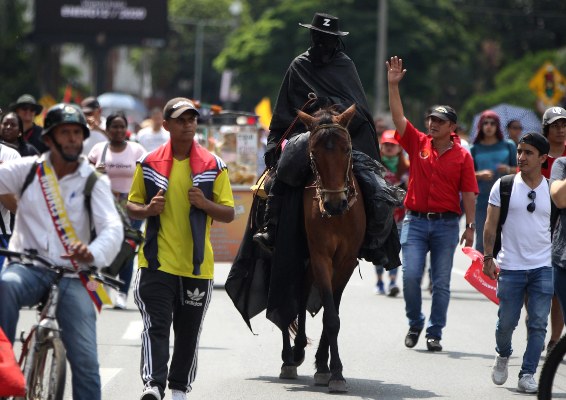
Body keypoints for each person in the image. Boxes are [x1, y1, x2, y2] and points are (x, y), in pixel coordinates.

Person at [0, 103, 123, 399]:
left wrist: (92, 252)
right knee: (5, 285)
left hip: (74, 275)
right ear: (49, 139)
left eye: (76, 133)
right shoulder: (26, 170)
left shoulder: (94, 181)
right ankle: (2, 369)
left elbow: (112, 228)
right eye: (64, 133)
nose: (71, 139)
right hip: (29, 266)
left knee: (86, 363)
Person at [127, 97, 235, 400]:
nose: (188, 125)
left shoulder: (213, 166)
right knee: (156, 327)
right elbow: (131, 205)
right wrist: (148, 209)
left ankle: (178, 390)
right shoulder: (149, 163)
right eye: (180, 120)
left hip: (196, 267)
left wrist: (205, 203)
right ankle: (153, 385)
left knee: (187, 336)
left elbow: (228, 213)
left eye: (192, 119)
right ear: (166, 126)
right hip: (155, 263)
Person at [254, 12, 380, 249]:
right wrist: (274, 141)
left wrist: (331, 103)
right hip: (306, 132)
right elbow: (284, 109)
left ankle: (377, 237)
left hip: (342, 131)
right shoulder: (299, 65)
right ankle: (270, 228)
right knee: (279, 176)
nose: (323, 42)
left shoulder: (345, 65)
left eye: (328, 38)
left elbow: (359, 107)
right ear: (312, 35)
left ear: (337, 40)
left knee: (374, 183)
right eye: (319, 36)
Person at [387, 56, 478, 351]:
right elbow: (399, 118)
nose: (432, 123)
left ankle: (434, 332)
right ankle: (415, 322)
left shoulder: (463, 155)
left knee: (440, 282)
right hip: (414, 221)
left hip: (447, 225)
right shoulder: (418, 142)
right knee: (411, 276)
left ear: (452, 126)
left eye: (439, 120)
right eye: (430, 119)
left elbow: (468, 193)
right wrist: (393, 86)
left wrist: (472, 226)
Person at [483, 132, 553, 394]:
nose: (521, 157)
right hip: (510, 266)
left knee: (538, 323)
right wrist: (488, 257)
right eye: (520, 151)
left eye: (528, 153)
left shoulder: (552, 189)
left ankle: (528, 373)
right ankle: (503, 354)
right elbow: (490, 225)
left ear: (543, 158)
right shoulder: (504, 185)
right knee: (506, 323)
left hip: (543, 267)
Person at [88, 111, 146, 309]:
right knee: (103, 245)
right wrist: (97, 173)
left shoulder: (137, 150)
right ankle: (99, 288)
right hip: (104, 205)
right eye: (115, 126)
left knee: (126, 248)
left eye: (122, 126)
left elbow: (147, 175)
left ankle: (122, 292)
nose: (119, 130)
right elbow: (85, 176)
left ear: (126, 129)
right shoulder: (98, 149)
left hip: (130, 206)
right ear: (108, 129)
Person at [470, 110, 517, 253]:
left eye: (492, 123)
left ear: (497, 126)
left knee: (507, 241)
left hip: (508, 199)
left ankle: (503, 275)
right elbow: (466, 176)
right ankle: (482, 274)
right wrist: (479, 174)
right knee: (482, 243)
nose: (489, 126)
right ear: (480, 126)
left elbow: (521, 170)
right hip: (483, 200)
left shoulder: (508, 145)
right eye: (485, 123)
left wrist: (508, 169)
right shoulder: (475, 149)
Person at [541, 106, 566, 353]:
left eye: (564, 125)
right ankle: (536, 325)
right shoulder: (536, 154)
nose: (560, 129)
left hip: (562, 233)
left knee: (558, 291)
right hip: (536, 228)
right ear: (546, 129)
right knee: (536, 289)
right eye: (555, 125)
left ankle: (554, 340)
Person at [374, 129, 408, 296]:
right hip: (379, 217)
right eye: (386, 144)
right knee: (379, 249)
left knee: (394, 249)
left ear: (399, 148)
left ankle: (393, 282)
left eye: (392, 145)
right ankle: (380, 280)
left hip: (400, 217)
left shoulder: (407, 169)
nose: (388, 148)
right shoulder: (374, 166)